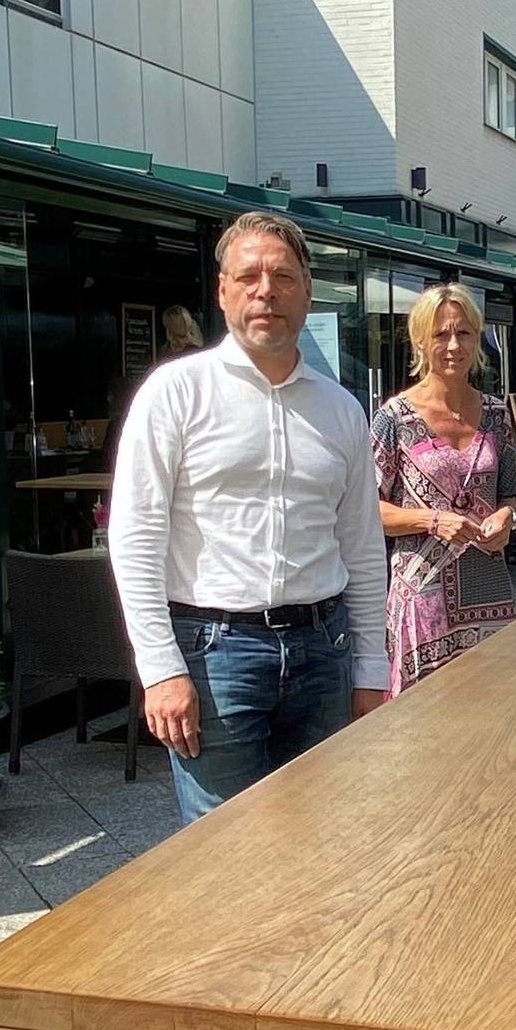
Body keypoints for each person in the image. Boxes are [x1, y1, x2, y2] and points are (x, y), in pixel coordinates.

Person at [110, 212, 388, 824]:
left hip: (325, 649)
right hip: (216, 656)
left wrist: (372, 667)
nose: (267, 290)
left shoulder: (341, 410)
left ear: (307, 291)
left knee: (324, 833)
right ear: (223, 291)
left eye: (284, 277)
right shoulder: (176, 392)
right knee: (223, 849)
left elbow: (363, 549)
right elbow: (135, 538)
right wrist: (159, 670)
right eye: (250, 276)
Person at [370, 284, 516, 692]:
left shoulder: (495, 414)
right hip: (422, 594)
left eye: (464, 333)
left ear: (477, 338)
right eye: (441, 334)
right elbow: (365, 510)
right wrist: (432, 520)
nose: (453, 345)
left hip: (488, 588)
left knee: (492, 716)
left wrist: (507, 517)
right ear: (420, 341)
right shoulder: (395, 418)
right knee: (424, 725)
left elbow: (510, 494)